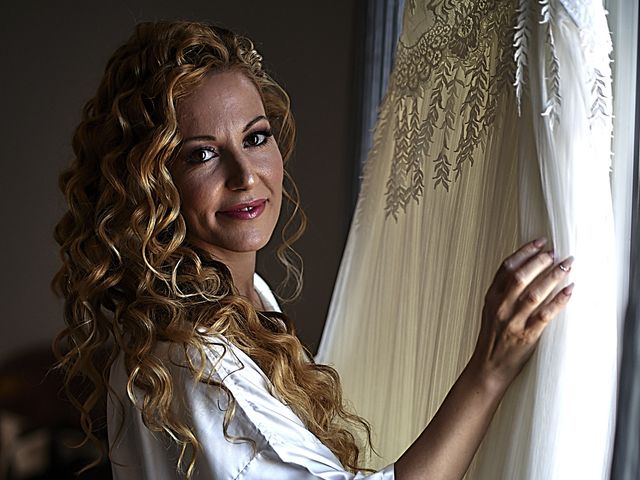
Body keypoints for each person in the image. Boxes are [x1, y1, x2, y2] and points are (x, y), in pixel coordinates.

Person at [52, 21, 575, 480]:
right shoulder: (196, 359)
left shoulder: (249, 300)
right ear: (152, 184)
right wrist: (489, 370)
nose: (244, 175)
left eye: (256, 138)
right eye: (204, 154)